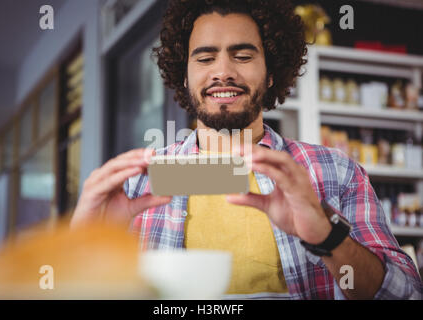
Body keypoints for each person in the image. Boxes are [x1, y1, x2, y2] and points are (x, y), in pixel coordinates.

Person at [71, 0, 422, 299]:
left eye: (242, 55)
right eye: (205, 59)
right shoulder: (138, 182)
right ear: (184, 75)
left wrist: (329, 237)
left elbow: (406, 293)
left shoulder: (335, 171)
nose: (223, 72)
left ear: (271, 74)